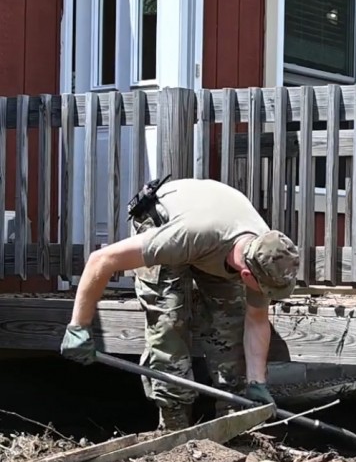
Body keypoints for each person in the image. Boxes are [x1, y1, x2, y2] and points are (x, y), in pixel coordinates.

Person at [60, 178, 301, 430]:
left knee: (230, 323)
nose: (268, 295)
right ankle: (175, 423)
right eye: (267, 291)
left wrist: (257, 384)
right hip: (164, 220)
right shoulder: (185, 237)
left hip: (213, 234)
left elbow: (256, 320)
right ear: (247, 276)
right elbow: (101, 260)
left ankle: (235, 418)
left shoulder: (266, 256)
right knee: (169, 322)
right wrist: (79, 326)